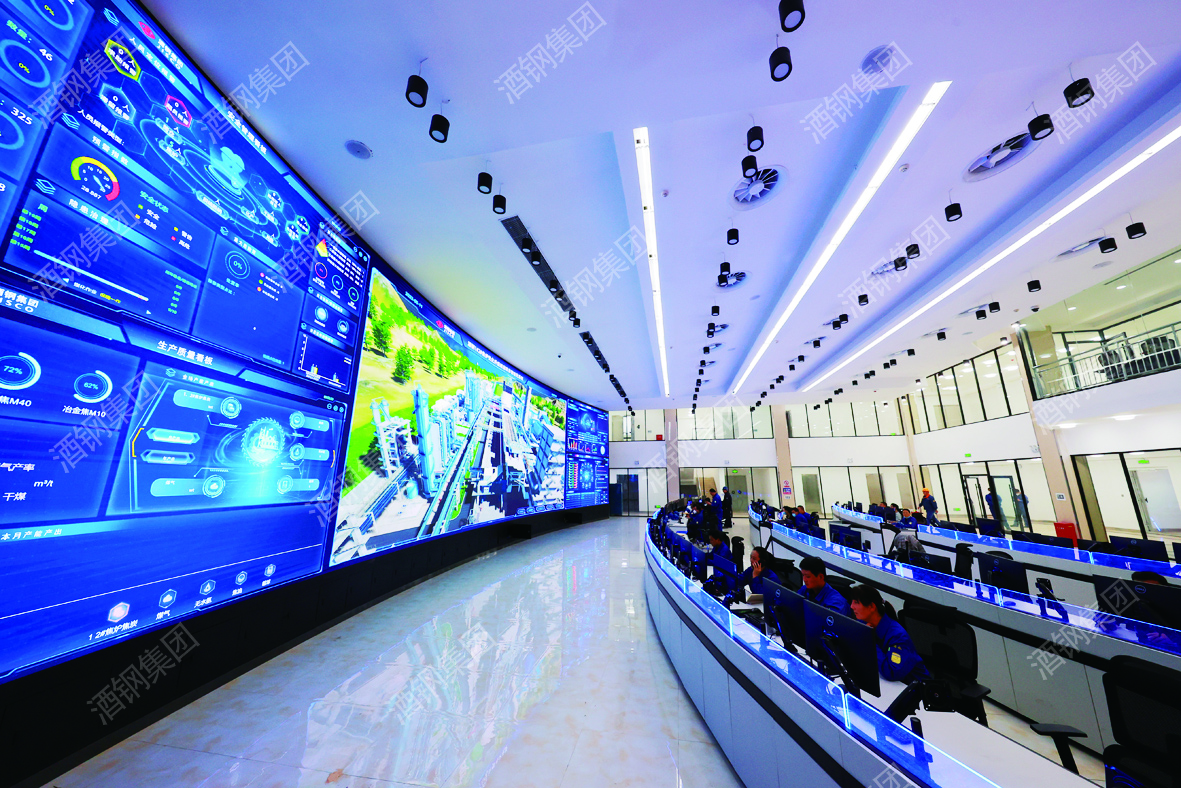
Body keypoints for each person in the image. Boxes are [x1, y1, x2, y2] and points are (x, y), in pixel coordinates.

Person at [847, 585, 931, 723]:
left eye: (856, 602)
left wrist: (869, 640)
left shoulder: (897, 636)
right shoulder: (864, 623)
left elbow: (892, 672)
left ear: (872, 607)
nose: (851, 606)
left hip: (918, 697)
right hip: (889, 688)